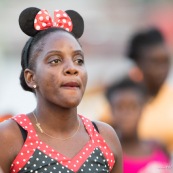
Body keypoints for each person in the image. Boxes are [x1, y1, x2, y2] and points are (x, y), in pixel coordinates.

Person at [0, 7, 122, 173]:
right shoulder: (10, 136)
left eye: (78, 60)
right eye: (55, 60)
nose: (72, 69)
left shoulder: (106, 137)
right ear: (31, 77)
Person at [106, 77, 171, 173]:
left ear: (142, 109)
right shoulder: (109, 155)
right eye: (120, 107)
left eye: (133, 106)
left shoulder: (159, 148)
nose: (126, 114)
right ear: (111, 111)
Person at [126, 28, 173, 153]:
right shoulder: (120, 101)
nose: (162, 70)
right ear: (138, 63)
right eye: (155, 62)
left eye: (166, 62)